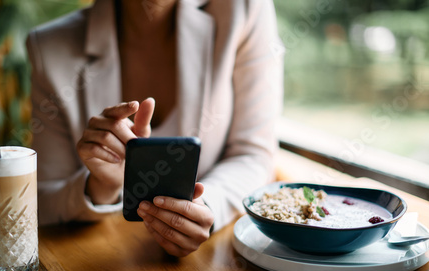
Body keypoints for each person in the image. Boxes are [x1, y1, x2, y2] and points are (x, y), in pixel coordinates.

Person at [26, 0, 283, 257]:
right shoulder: (49, 48)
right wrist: (100, 187)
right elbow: (45, 201)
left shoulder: (244, 10)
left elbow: (254, 153)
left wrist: (207, 207)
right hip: (97, 259)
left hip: (211, 257)